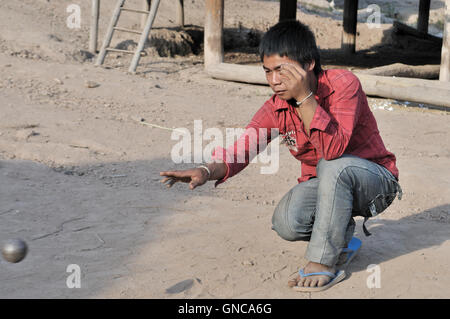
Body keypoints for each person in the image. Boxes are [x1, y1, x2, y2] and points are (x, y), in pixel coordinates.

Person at [160, 20, 402, 292]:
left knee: (334, 165)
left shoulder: (343, 85)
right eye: (267, 72)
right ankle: (341, 239)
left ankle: (322, 263)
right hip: (328, 184)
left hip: (376, 182)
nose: (274, 81)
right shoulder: (276, 108)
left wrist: (304, 98)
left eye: (281, 71)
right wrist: (205, 171)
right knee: (287, 222)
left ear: (308, 63)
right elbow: (243, 148)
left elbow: (333, 151)